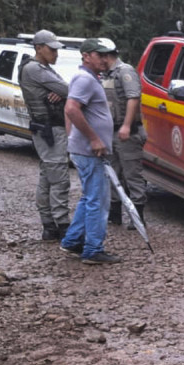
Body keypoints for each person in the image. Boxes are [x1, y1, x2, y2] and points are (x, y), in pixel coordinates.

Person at [60, 37, 122, 265]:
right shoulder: (84, 79)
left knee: (89, 198)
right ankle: (93, 250)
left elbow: (71, 110)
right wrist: (94, 139)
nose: (105, 60)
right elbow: (71, 109)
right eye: (100, 55)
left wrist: (73, 138)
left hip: (83, 148)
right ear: (86, 56)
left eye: (107, 55)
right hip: (89, 151)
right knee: (98, 200)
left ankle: (72, 241)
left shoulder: (87, 79)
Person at [19, 30, 71, 240]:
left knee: (48, 176)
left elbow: (63, 90)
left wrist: (61, 93)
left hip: (47, 128)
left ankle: (49, 224)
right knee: (58, 177)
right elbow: (68, 89)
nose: (55, 53)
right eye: (51, 49)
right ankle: (62, 225)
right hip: (48, 129)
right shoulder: (35, 69)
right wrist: (62, 92)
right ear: (39, 48)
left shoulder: (41, 68)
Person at [102, 46, 146, 225]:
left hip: (127, 132)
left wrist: (127, 125)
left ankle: (138, 217)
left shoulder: (125, 71)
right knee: (112, 173)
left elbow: (133, 97)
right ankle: (115, 213)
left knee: (132, 173)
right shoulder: (105, 74)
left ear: (106, 56)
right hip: (110, 131)